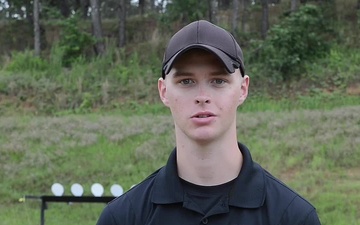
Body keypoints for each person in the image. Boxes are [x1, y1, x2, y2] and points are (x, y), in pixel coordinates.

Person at [96, 20, 321, 225]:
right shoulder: (122, 217)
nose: (202, 96)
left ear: (243, 89)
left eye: (218, 81)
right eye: (186, 81)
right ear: (163, 91)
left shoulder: (293, 217)